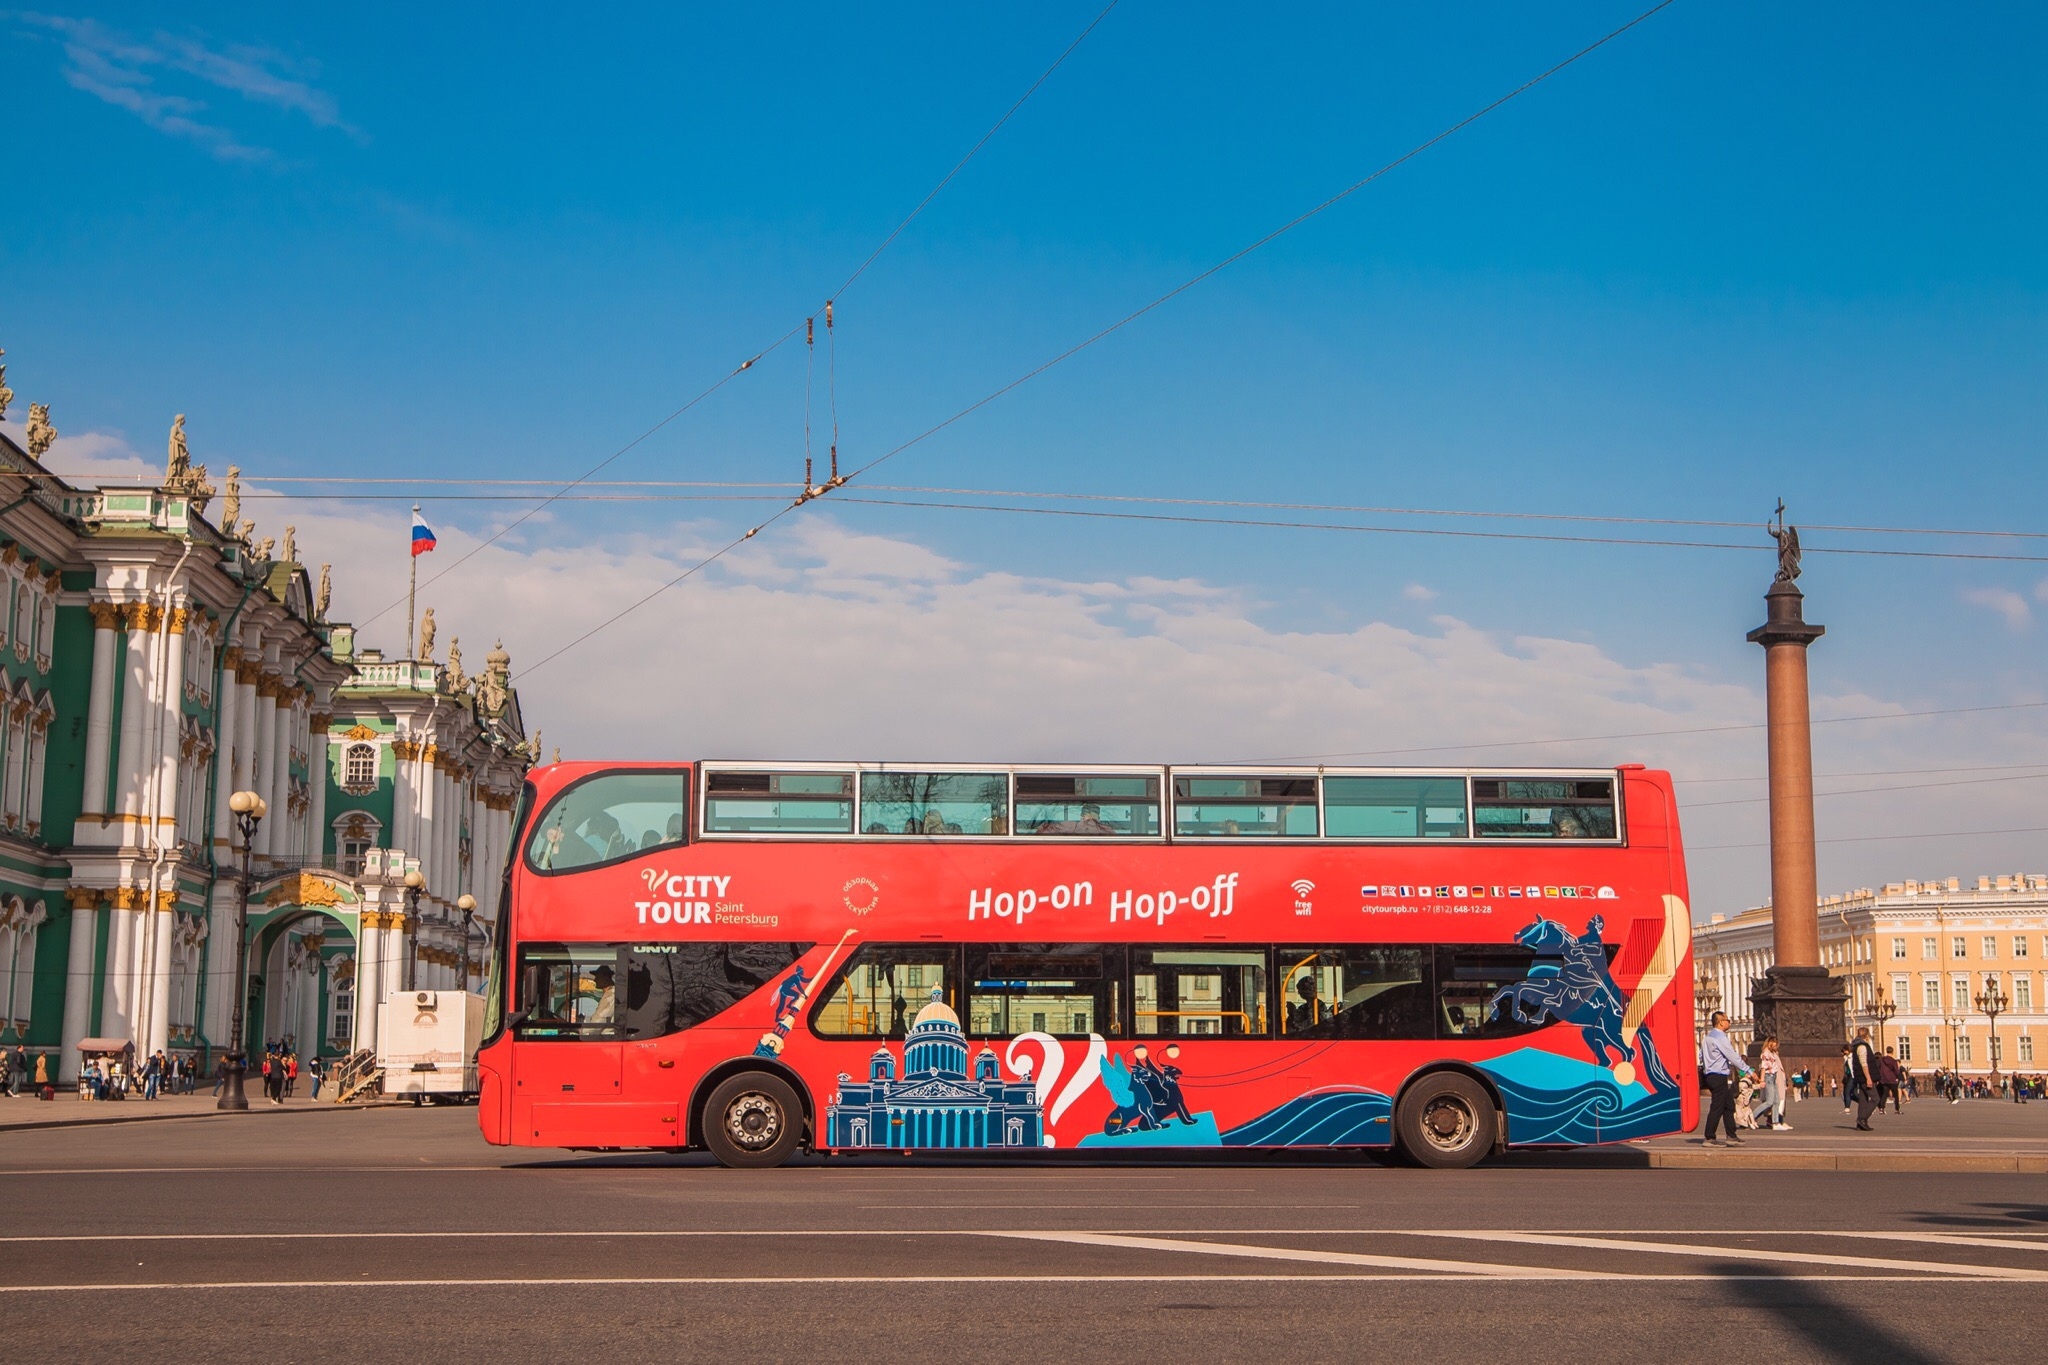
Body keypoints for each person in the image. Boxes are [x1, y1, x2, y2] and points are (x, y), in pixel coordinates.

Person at [1698, 1011, 1748, 1146]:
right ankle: (1709, 1137)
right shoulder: (1720, 1038)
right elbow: (1733, 1056)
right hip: (1718, 1075)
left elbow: (1701, 1056)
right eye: (1727, 1020)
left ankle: (1731, 1136)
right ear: (1720, 1022)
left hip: (1711, 1074)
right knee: (1717, 1107)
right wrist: (1748, 1070)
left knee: (1729, 1106)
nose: (1729, 1022)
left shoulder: (1707, 1038)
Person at [1850, 1027, 1881, 1131]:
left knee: (1863, 1100)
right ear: (1866, 1036)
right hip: (1864, 1077)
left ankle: (1861, 1124)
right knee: (1875, 1098)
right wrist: (1868, 1078)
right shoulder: (1862, 1046)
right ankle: (1862, 1118)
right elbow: (1864, 1064)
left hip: (1860, 1077)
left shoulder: (1856, 1045)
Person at [1755, 1038, 1790, 1130]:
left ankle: (1775, 1122)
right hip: (1768, 1078)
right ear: (1770, 1043)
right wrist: (1762, 1081)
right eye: (1775, 1045)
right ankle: (1752, 1116)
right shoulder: (1766, 1053)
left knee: (1776, 1101)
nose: (1776, 1047)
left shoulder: (1772, 1053)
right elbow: (1763, 1067)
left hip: (1773, 1077)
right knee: (1769, 1101)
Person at [1878, 1048, 1904, 1114]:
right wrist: (1898, 1077)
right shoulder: (1893, 1061)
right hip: (1893, 1079)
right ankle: (1897, 1109)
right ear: (1892, 1052)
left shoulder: (1882, 1060)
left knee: (1884, 1094)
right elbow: (1896, 1070)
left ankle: (1882, 1108)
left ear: (1886, 1051)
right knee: (1896, 1095)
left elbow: (1880, 1068)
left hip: (1885, 1079)